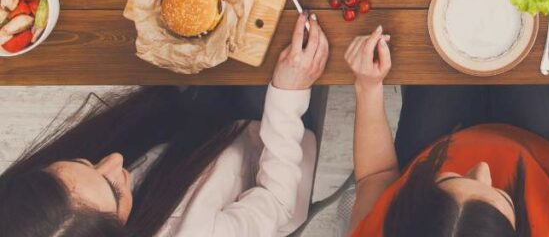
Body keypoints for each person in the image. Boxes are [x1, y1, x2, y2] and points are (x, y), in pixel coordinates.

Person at [0, 14, 330, 237]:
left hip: (191, 120)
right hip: (266, 140)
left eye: (83, 162)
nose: (114, 158)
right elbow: (277, 202)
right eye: (114, 190)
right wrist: (289, 92)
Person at [342, 16, 549, 237]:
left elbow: (375, 176)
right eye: (503, 196)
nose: (484, 168)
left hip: (435, 145)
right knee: (534, 26)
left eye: (455, 178)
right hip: (537, 144)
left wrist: (368, 87)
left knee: (442, 32)